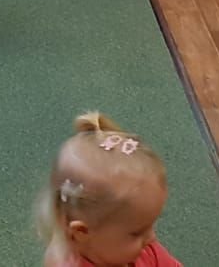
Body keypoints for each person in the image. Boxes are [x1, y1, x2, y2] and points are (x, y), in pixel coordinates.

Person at [35, 112, 182, 267]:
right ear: (81, 232)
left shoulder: (137, 248)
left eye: (150, 224)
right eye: (137, 233)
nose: (152, 238)